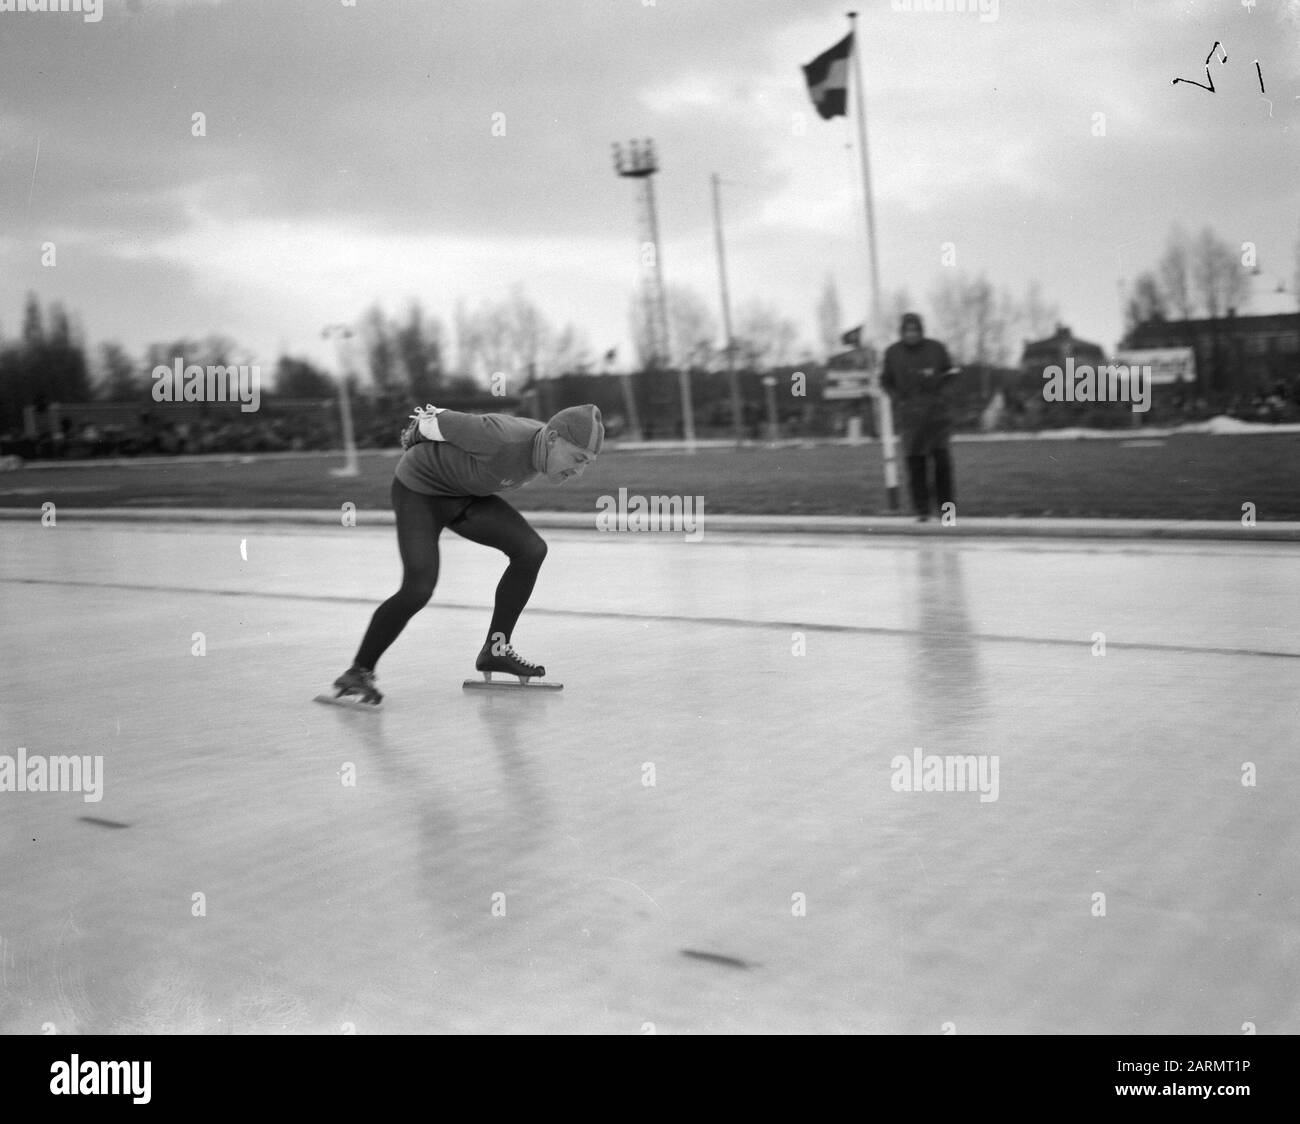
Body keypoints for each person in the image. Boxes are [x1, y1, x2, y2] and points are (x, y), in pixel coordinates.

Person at [324, 403, 604, 706]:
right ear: (551, 438)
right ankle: (358, 671)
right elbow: (435, 419)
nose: (578, 471)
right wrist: (415, 441)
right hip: (420, 491)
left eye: (586, 463)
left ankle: (495, 652)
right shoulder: (501, 436)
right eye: (577, 459)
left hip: (464, 496)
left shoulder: (544, 447)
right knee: (418, 588)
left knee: (531, 550)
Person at [881, 312, 960, 521]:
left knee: (942, 464)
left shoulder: (936, 349)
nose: (912, 334)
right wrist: (899, 400)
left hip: (936, 417)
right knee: (916, 466)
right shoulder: (892, 353)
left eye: (915, 329)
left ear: (921, 330)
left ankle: (947, 513)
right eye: (908, 330)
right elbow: (886, 381)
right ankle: (922, 511)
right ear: (902, 331)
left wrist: (943, 397)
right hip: (910, 419)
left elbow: (951, 375)